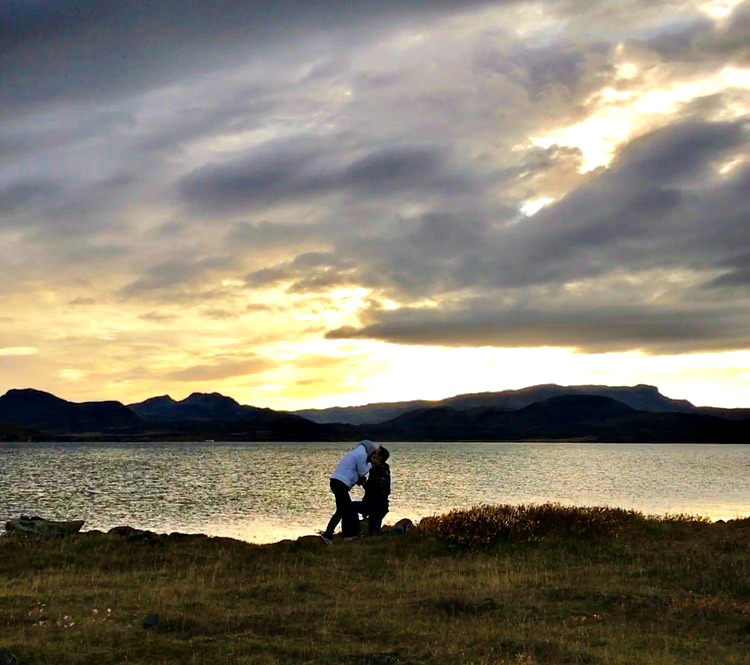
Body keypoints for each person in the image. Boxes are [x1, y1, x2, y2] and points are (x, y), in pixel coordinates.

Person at [320, 439, 378, 543]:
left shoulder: (354, 453)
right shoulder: (361, 454)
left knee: (345, 510)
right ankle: (328, 534)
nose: (372, 456)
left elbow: (353, 471)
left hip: (336, 482)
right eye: (373, 453)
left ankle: (347, 535)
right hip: (340, 484)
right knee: (343, 510)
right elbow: (362, 471)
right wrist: (371, 464)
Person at [352, 446, 390, 535]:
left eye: (375, 453)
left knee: (349, 507)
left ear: (379, 457)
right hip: (377, 505)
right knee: (374, 533)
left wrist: (364, 484)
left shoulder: (381, 470)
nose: (372, 454)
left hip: (377, 506)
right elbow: (373, 489)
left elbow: (378, 491)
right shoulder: (376, 469)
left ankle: (352, 533)